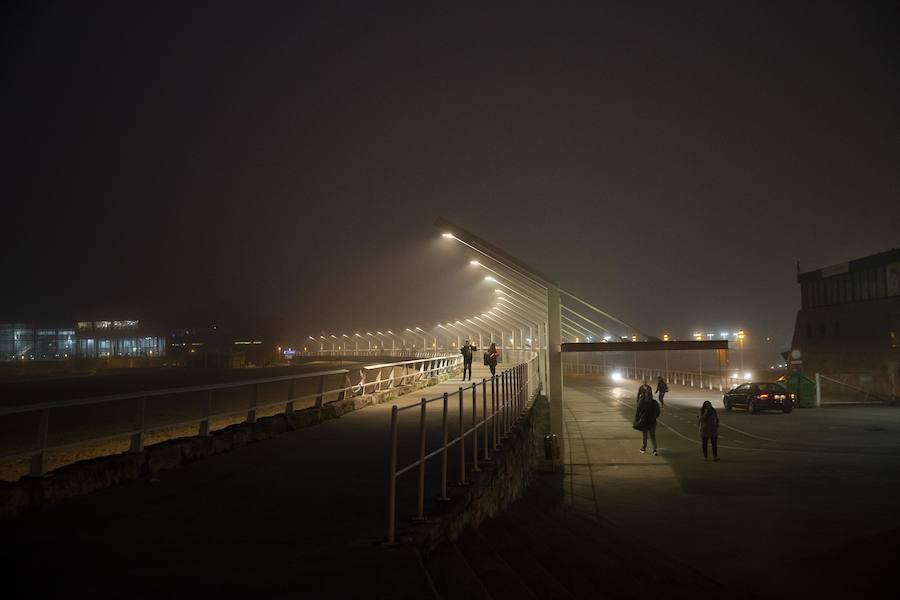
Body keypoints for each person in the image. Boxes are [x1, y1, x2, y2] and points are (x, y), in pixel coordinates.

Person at [633, 381, 660, 455]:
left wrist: (636, 419)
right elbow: (658, 412)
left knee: (645, 436)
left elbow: (638, 411)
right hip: (652, 421)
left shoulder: (642, 401)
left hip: (644, 421)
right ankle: (655, 450)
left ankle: (643, 448)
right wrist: (654, 417)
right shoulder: (654, 402)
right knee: (653, 436)